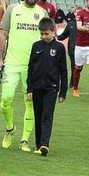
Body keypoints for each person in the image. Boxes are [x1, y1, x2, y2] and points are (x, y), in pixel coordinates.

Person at [0, 0, 49, 152]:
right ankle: (10, 129)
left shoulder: (43, 12)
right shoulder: (12, 9)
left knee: (30, 103)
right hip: (11, 63)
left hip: (33, 67)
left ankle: (24, 140)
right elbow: (2, 34)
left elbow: (46, 38)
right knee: (5, 99)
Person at [27, 18, 67, 156]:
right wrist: (29, 89)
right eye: (41, 34)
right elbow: (30, 68)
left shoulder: (59, 48)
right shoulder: (36, 46)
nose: (43, 36)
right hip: (37, 87)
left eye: (46, 34)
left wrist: (63, 92)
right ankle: (38, 145)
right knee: (38, 116)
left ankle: (45, 144)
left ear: (53, 32)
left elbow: (63, 71)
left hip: (52, 88)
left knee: (47, 115)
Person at [72, 0, 89, 97]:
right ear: (86, 2)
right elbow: (79, 26)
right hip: (80, 45)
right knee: (78, 67)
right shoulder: (80, 13)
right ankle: (75, 88)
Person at [57, 16, 77, 89]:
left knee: (78, 67)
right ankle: (73, 83)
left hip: (83, 49)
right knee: (74, 66)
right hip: (72, 49)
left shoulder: (85, 25)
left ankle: (74, 83)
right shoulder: (71, 24)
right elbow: (64, 35)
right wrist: (56, 37)